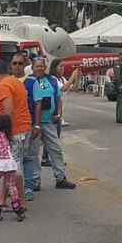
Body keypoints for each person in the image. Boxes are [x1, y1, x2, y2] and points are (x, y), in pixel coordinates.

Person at [23, 58, 77, 190]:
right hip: (34, 123)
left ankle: (60, 177)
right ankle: (35, 180)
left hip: (49, 122)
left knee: (56, 150)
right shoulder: (28, 82)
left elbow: (58, 99)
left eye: (42, 66)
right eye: (37, 66)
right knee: (33, 153)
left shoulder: (52, 80)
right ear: (33, 67)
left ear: (45, 67)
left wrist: (58, 115)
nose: (40, 69)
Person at [0, 57, 33, 210]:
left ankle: (21, 202)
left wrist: (3, 133)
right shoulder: (15, 81)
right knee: (9, 166)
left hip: (14, 130)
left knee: (14, 168)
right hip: (23, 128)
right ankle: (2, 199)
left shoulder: (4, 85)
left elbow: (8, 109)